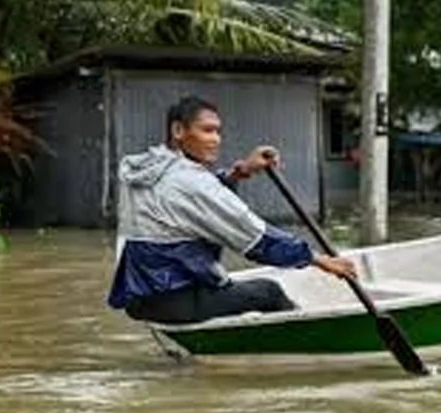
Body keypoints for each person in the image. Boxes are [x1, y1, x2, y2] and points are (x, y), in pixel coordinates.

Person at [108, 95, 358, 324]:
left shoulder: (148, 168)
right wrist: (320, 260)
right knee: (269, 291)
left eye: (218, 131)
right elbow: (256, 238)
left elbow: (186, 200)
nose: (216, 140)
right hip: (175, 300)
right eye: (207, 131)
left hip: (141, 298)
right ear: (178, 130)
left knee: (234, 286)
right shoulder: (193, 183)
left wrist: (239, 172)